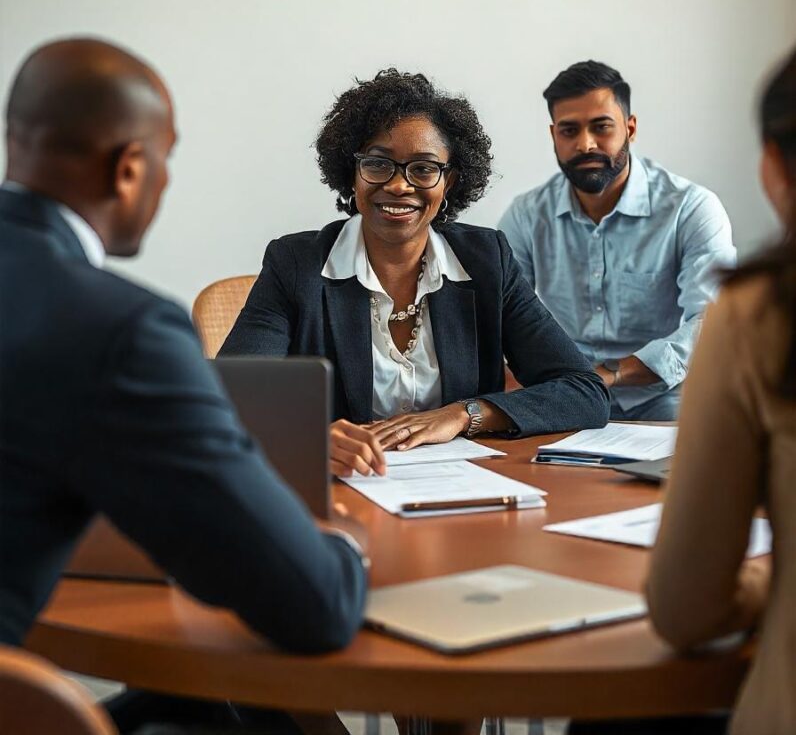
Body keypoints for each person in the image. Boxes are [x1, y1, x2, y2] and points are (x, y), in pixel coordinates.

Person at [0, 38, 367, 728]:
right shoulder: (121, 329)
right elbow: (313, 606)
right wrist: (343, 543)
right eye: (168, 157)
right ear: (131, 168)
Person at [220, 68, 609, 475]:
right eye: (378, 164)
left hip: (463, 491)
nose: (400, 186)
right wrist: (309, 437)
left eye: (423, 169)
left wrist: (464, 414)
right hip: (344, 493)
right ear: (352, 174)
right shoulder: (296, 264)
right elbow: (230, 397)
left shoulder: (486, 261)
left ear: (449, 181)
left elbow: (584, 392)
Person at [645, 45, 796, 735]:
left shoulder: (762, 316)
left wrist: (774, 580)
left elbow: (686, 608)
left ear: (771, 168)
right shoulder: (527, 218)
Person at [499, 60, 735, 422]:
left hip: (665, 397)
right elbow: (500, 319)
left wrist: (607, 374)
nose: (585, 143)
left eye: (601, 127)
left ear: (630, 127)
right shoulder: (527, 216)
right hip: (565, 398)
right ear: (553, 136)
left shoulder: (691, 209)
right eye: (569, 130)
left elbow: (712, 323)